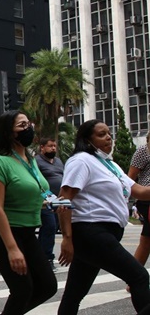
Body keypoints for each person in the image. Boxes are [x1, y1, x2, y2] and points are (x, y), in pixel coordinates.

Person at [57, 120, 150, 314]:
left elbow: (140, 191)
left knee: (74, 293)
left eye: (109, 133)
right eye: (101, 134)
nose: (108, 137)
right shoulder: (81, 160)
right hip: (91, 231)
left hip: (104, 233)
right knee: (139, 277)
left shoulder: (110, 165)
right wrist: (67, 238)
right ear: (86, 139)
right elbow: (64, 200)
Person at [0, 110, 57, 315]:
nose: (28, 128)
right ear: (9, 132)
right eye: (22, 125)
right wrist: (12, 248)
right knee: (22, 288)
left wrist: (52, 201)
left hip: (26, 228)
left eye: (29, 123)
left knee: (48, 286)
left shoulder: (29, 159)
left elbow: (37, 188)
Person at [35, 137, 65, 271]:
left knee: (62, 227)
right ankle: (47, 258)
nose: (53, 148)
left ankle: (40, 257)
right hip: (46, 199)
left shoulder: (58, 161)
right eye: (50, 146)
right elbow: (38, 181)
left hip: (61, 198)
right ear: (42, 147)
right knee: (50, 226)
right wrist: (51, 198)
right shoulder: (37, 161)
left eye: (54, 146)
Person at [128, 134, 150, 277]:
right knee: (146, 240)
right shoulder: (143, 151)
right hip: (147, 199)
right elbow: (129, 178)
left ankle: (134, 279)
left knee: (146, 240)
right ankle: (134, 279)